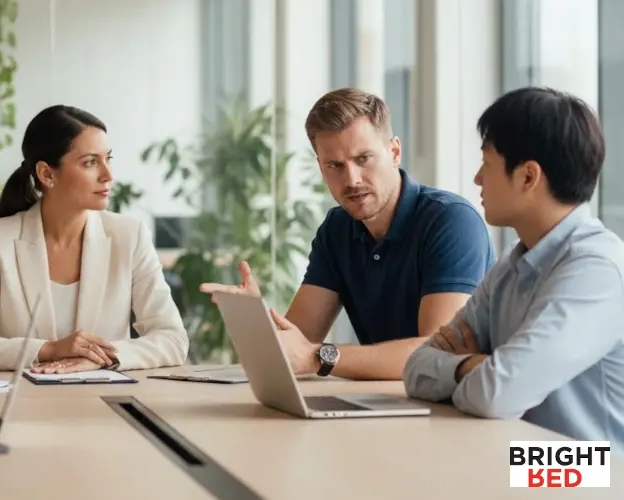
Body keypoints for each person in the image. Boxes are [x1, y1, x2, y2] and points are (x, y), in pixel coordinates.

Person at [201, 88, 495, 380]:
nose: (352, 179)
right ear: (320, 167)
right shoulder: (337, 229)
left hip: (456, 411)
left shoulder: (451, 221)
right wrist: (256, 320)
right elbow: (296, 344)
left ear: (394, 152)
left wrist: (320, 357)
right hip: (386, 404)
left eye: (363, 158)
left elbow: (435, 357)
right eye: (335, 166)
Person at [403, 87, 624, 448]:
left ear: (527, 176)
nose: (477, 178)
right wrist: (473, 364)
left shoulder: (596, 270)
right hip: (519, 454)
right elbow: (415, 369)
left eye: (486, 164)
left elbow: (495, 394)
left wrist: (481, 371)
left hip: (598, 474)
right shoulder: (513, 261)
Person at [0, 105, 189, 373]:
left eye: (108, 159)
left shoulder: (129, 236)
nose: (108, 175)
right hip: (27, 404)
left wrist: (101, 358)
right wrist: (48, 349)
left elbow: (173, 339)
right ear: (47, 174)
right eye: (90, 162)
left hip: (106, 403)